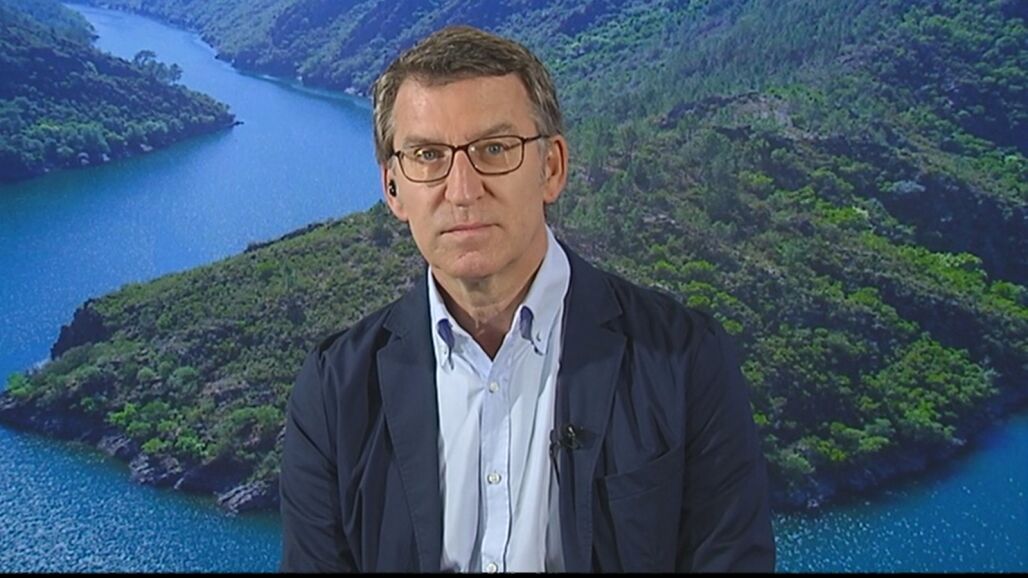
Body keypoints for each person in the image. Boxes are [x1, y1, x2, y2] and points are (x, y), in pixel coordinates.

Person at [279, 25, 775, 573]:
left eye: (494, 150)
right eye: (428, 155)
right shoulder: (336, 391)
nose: (462, 190)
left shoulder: (683, 360)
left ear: (552, 168)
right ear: (393, 188)